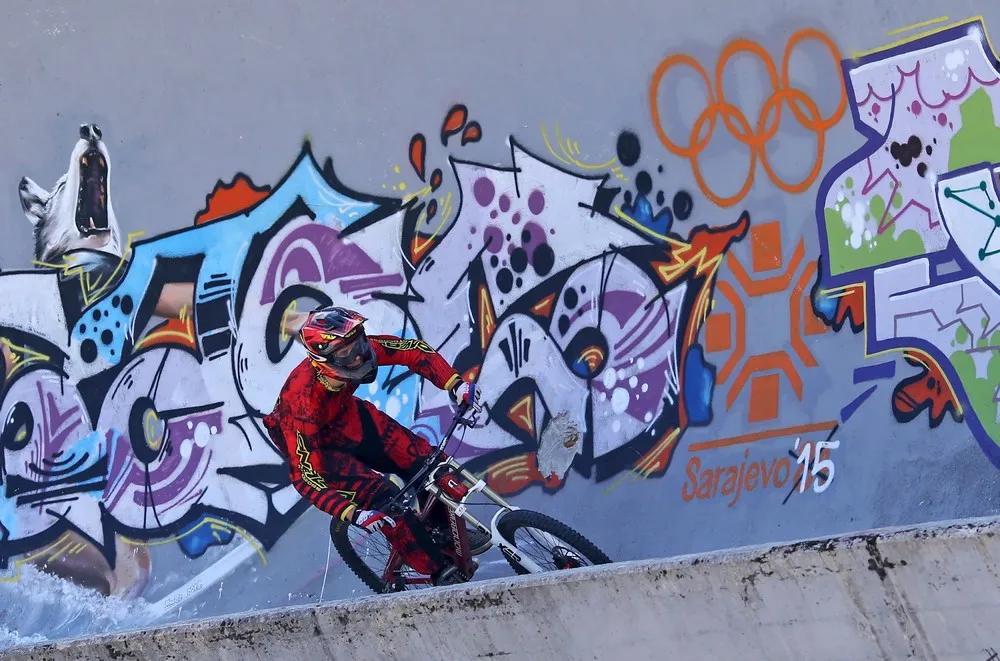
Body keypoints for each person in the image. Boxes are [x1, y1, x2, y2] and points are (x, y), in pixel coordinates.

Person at [262, 305, 487, 587]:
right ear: (324, 361)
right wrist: (353, 513)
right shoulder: (301, 403)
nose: (358, 354)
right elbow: (304, 479)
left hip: (346, 416)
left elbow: (411, 350)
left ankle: (444, 531)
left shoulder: (356, 351)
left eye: (358, 342)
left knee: (427, 462)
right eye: (345, 353)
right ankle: (440, 572)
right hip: (320, 449)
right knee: (388, 502)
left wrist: (455, 385)